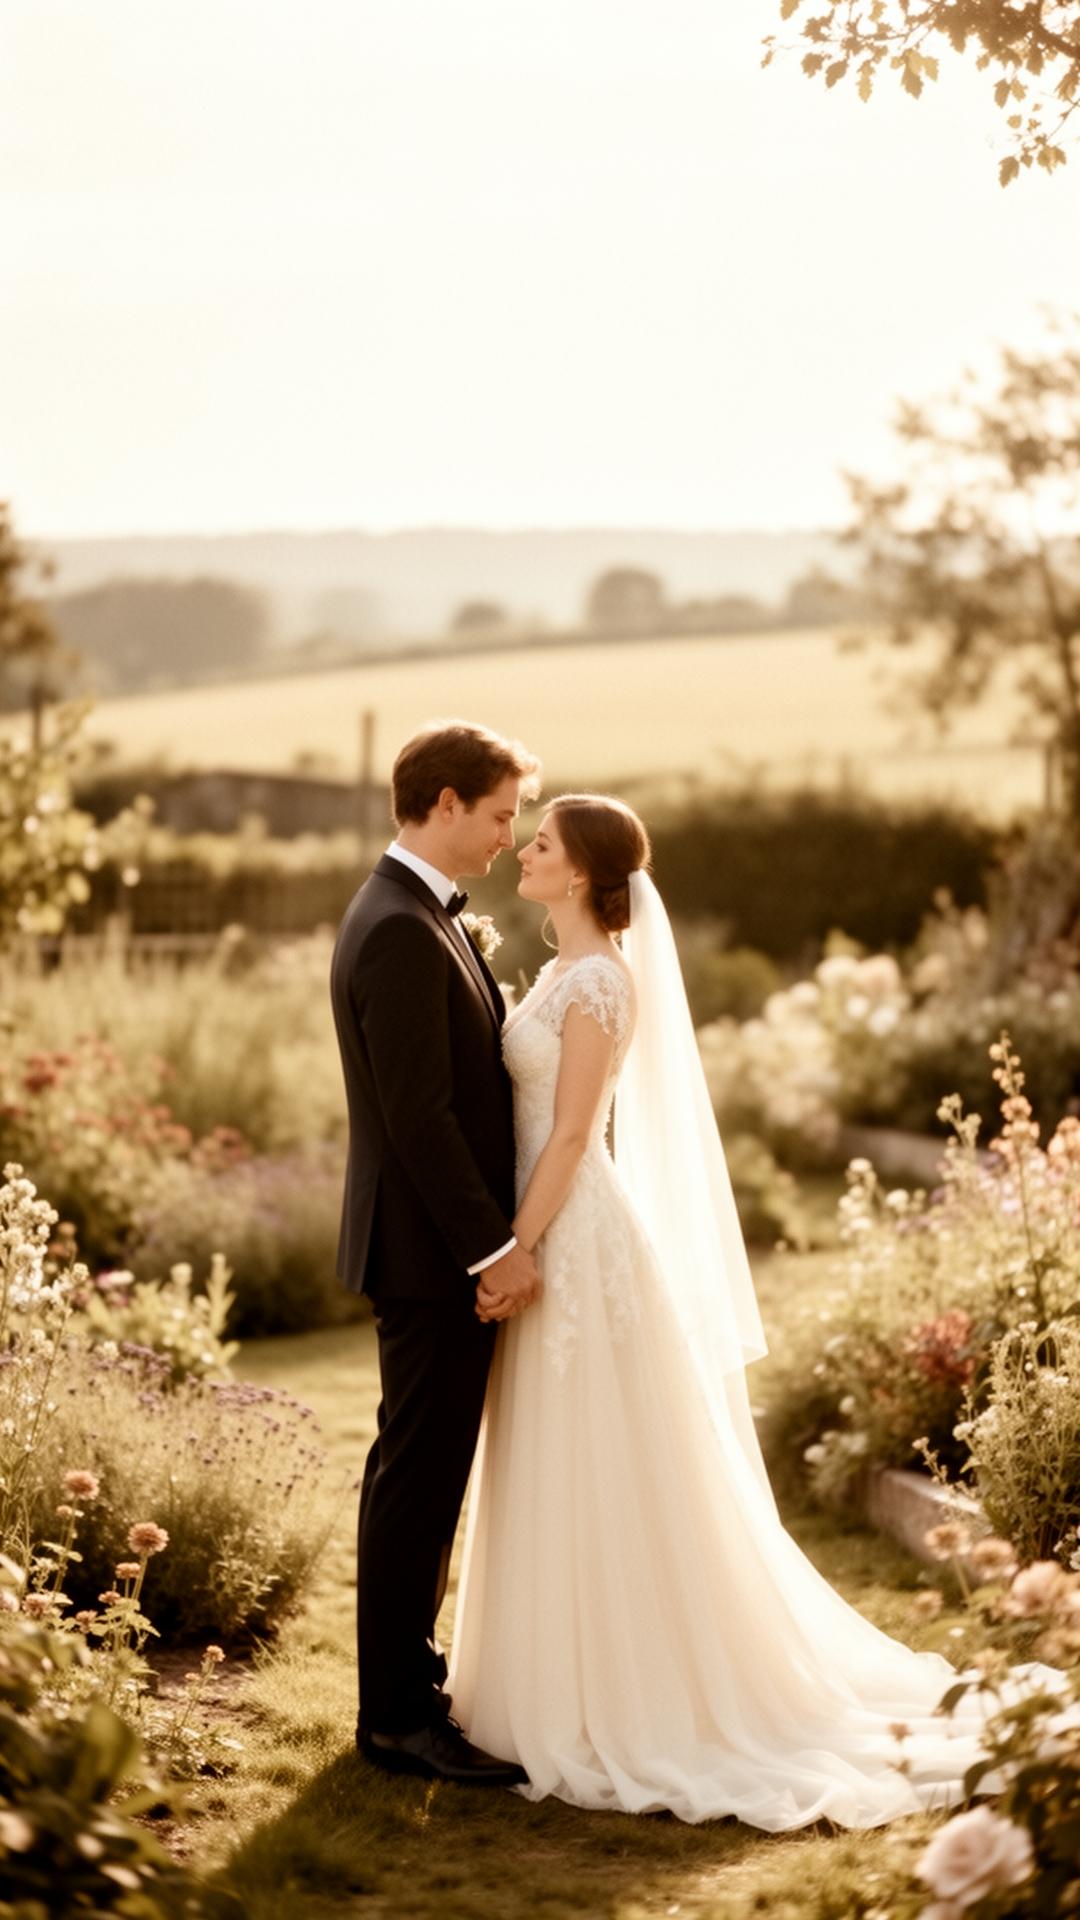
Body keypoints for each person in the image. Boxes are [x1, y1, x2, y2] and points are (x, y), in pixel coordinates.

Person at [449, 791, 1068, 1830]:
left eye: (542, 842)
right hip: (546, 1224)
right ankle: (539, 1678)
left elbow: (567, 1139)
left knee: (601, 1453)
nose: (524, 851)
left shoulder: (600, 984)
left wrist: (518, 1245)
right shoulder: (558, 972)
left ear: (587, 872)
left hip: (572, 1233)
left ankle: (630, 1690)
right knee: (553, 1448)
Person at [329, 718, 541, 1786]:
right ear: (446, 803)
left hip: (424, 1252)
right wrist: (491, 1250)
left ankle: (406, 1685)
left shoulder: (417, 912)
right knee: (417, 1480)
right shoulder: (402, 928)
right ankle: (397, 1719)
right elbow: (419, 1119)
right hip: (428, 1258)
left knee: (420, 1475)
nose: (511, 834)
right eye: (501, 814)